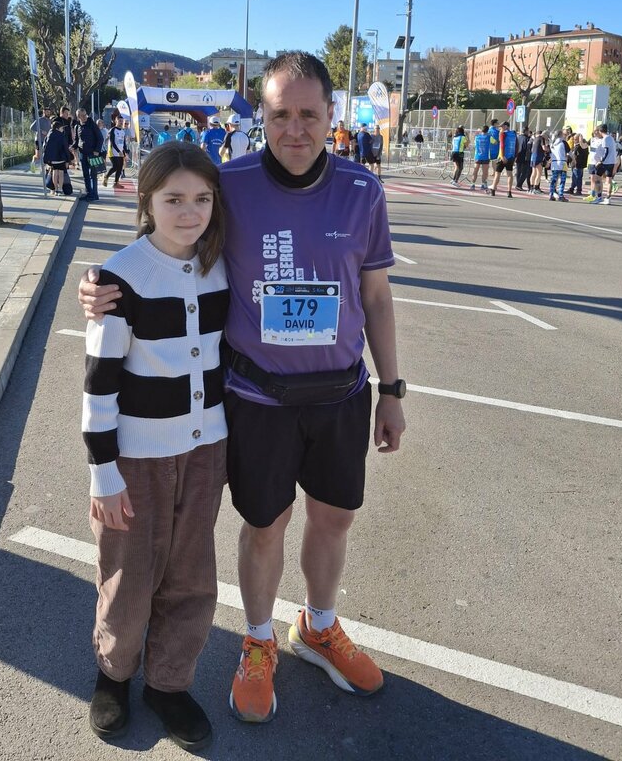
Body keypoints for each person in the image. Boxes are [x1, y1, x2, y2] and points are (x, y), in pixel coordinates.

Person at [78, 50, 405, 726]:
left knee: (334, 519)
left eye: (309, 114)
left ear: (331, 115)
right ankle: (257, 642)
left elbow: (376, 295)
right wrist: (104, 283)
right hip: (256, 402)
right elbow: (172, 229)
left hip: (341, 395)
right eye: (280, 114)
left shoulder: (362, 190)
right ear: (262, 115)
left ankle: (318, 626)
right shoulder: (228, 184)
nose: (295, 129)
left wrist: (394, 389)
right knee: (263, 526)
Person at [83, 142, 227, 750]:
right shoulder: (120, 277)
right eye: (173, 199)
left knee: (191, 574)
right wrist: (104, 473)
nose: (189, 212)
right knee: (128, 570)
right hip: (136, 457)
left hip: (207, 449)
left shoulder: (221, 264)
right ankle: (114, 674)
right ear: (147, 200)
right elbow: (99, 384)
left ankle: (168, 683)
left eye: (202, 199)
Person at [73, 107, 104, 201]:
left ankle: (94, 194)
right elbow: (77, 140)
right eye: (82, 116)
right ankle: (89, 193)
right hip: (82, 154)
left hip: (93, 153)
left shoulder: (92, 124)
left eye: (85, 115)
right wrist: (73, 147)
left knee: (93, 174)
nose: (84, 117)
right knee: (85, 174)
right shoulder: (77, 126)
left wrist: (97, 150)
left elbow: (100, 138)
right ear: (78, 117)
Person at [42, 117, 71, 195]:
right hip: (61, 158)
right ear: (58, 128)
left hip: (52, 159)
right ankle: (60, 189)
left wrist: (46, 159)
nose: (62, 129)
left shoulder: (49, 135)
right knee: (61, 173)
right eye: (61, 128)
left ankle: (55, 189)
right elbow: (65, 148)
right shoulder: (61, 136)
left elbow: (45, 147)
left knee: (54, 173)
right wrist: (68, 159)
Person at [489, 120, 516, 198]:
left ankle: (493, 190)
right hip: (511, 156)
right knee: (509, 174)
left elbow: (502, 145)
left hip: (502, 157)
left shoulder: (503, 134)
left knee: (497, 173)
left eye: (502, 127)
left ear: (506, 126)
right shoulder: (513, 134)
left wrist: (502, 156)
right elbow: (516, 145)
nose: (500, 128)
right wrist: (515, 156)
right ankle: (509, 192)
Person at [102, 115, 129, 187]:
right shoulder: (113, 130)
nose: (121, 122)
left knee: (120, 167)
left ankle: (116, 183)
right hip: (113, 151)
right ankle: (106, 177)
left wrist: (125, 152)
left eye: (122, 121)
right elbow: (112, 142)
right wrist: (118, 151)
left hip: (121, 152)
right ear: (116, 121)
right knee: (115, 166)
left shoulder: (123, 131)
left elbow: (123, 143)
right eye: (119, 121)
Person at [593, 123, 617, 205]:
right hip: (611, 161)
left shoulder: (605, 139)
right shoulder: (611, 138)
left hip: (605, 162)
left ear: (600, 131)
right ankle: (608, 198)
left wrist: (601, 161)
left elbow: (606, 151)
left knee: (597, 178)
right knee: (608, 180)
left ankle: (599, 197)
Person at [548, 129, 569, 202]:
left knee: (554, 180)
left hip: (554, 163)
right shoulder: (563, 142)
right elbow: (569, 152)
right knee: (562, 180)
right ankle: (561, 195)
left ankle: (551, 194)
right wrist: (573, 159)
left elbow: (550, 153)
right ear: (561, 135)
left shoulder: (552, 144)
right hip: (562, 162)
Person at [30, 107, 52, 171]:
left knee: (46, 155)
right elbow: (32, 127)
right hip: (39, 140)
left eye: (49, 112)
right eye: (47, 112)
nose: (48, 113)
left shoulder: (49, 121)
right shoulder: (40, 119)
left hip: (46, 140)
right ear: (44, 112)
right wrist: (41, 131)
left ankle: (44, 170)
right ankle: (32, 166)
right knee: (38, 156)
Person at [469, 125, 490, 191]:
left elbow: (474, 144)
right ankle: (483, 185)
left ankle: (472, 184)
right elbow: (495, 142)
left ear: (482, 130)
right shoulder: (489, 137)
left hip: (477, 156)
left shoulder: (477, 137)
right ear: (487, 130)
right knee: (485, 172)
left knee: (475, 171)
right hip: (485, 157)